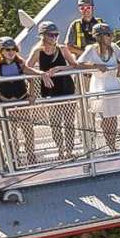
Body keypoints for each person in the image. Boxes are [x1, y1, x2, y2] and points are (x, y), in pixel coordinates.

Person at [0, 36, 48, 165]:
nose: (11, 52)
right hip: (6, 102)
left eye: (13, 49)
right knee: (10, 132)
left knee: (27, 129)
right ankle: (14, 158)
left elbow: (30, 76)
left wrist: (32, 93)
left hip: (21, 100)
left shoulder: (19, 62)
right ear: (1, 51)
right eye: (7, 49)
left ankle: (31, 155)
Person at [76, 23, 120, 151]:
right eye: (108, 35)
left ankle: (112, 144)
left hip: (113, 83)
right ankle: (108, 143)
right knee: (105, 116)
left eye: (111, 34)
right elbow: (79, 63)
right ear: (100, 37)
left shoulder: (114, 47)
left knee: (113, 116)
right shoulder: (91, 49)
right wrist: (95, 66)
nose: (111, 37)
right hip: (99, 85)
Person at [28, 21, 80, 159]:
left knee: (69, 122)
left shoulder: (62, 49)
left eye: (56, 35)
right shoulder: (38, 51)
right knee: (55, 122)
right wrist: (41, 73)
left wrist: (60, 68)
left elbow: (75, 65)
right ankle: (60, 150)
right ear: (43, 36)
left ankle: (69, 150)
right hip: (50, 89)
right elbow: (27, 68)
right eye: (51, 35)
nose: (54, 38)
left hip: (66, 87)